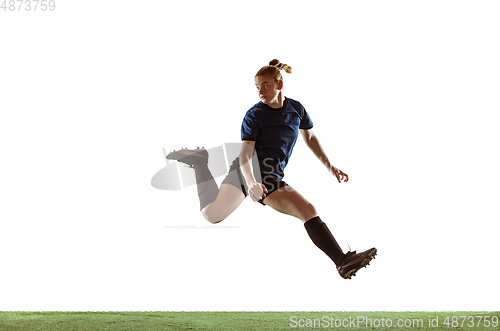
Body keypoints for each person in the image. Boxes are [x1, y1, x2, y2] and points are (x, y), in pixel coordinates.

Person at [167, 59, 376, 279]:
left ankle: (342, 262)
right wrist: (251, 183)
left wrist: (330, 166)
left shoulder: (296, 109)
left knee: (306, 210)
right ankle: (200, 162)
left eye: (265, 85)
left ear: (279, 83)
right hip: (249, 170)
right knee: (212, 215)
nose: (260, 91)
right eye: (257, 87)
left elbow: (311, 137)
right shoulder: (254, 115)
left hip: (272, 174)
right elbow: (245, 154)